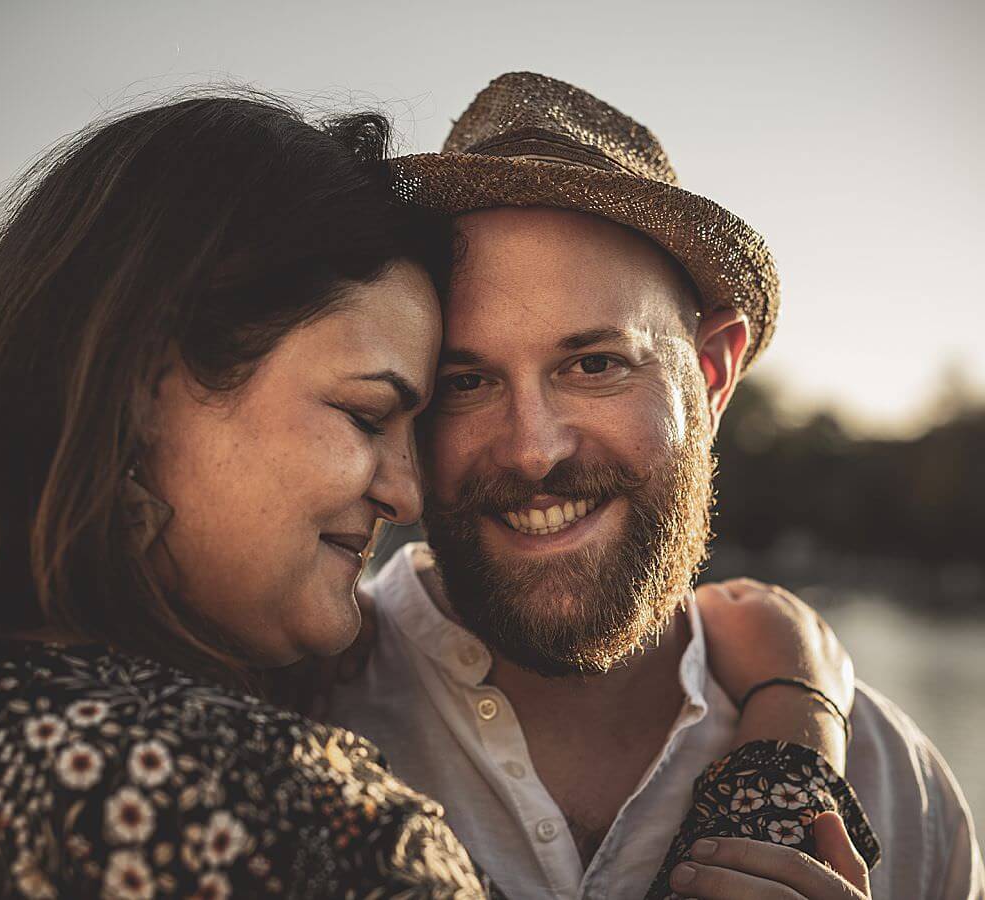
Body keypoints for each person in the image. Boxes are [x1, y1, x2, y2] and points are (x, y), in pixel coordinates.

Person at [0, 92, 870, 899]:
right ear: (142, 388)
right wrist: (790, 742)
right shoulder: (299, 816)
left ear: (713, 374)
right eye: (376, 410)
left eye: (595, 361)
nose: (405, 489)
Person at [329, 71, 984, 900]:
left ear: (711, 375)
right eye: (466, 381)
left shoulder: (900, 792)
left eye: (595, 364)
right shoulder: (286, 715)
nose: (534, 451)